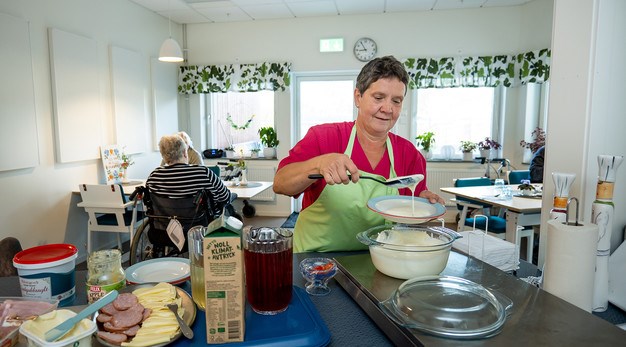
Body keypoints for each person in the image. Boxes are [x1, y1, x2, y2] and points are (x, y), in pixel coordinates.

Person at [273, 56, 445, 253]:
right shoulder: (324, 137)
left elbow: (409, 225)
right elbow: (281, 183)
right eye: (378, 98)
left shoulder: (409, 154)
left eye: (396, 101)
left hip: (378, 260)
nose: (388, 109)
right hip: (313, 262)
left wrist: (424, 206)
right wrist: (319, 164)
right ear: (358, 97)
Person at [148, 135, 231, 216]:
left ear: (163, 156)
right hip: (201, 226)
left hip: (165, 226)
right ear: (185, 153)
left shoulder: (154, 177)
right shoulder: (203, 172)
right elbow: (225, 197)